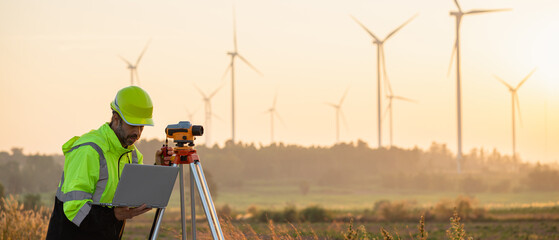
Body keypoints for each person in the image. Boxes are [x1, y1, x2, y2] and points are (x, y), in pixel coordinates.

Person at [46, 86, 170, 240]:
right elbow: (74, 208)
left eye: (142, 126)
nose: (137, 132)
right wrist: (113, 214)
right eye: (132, 124)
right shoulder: (89, 150)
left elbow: (134, 200)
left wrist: (158, 169)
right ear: (116, 118)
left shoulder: (133, 155)